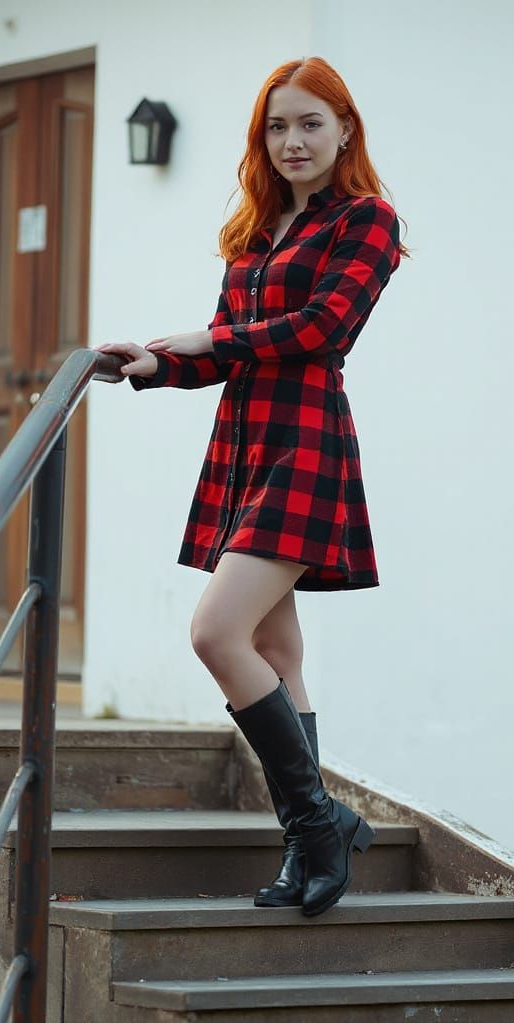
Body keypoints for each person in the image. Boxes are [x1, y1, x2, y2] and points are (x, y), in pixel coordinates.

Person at [95, 55, 405, 917]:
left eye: (310, 123)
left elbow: (318, 329)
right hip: (243, 438)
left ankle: (318, 822)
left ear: (345, 128)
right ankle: (313, 843)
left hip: (306, 438)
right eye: (277, 126)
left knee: (214, 632)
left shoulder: (367, 222)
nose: (293, 141)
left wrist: (202, 339)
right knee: (276, 653)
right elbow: (234, 345)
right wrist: (158, 365)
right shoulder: (255, 230)